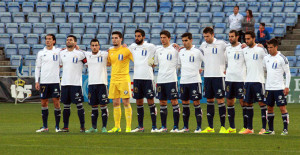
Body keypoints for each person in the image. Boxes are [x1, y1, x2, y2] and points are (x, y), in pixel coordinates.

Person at [199, 27, 228, 133]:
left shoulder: (221, 43)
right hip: (207, 76)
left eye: (207, 36)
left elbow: (234, 47)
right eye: (204, 36)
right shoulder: (203, 45)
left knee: (220, 100)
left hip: (219, 76)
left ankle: (223, 127)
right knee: (209, 100)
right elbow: (199, 56)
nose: (206, 38)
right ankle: (210, 127)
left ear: (212, 35)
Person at [150, 30, 180, 133]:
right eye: (161, 38)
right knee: (162, 102)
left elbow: (181, 60)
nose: (162, 40)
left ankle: (176, 127)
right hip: (161, 79)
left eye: (164, 38)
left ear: (169, 38)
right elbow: (155, 63)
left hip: (171, 79)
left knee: (174, 101)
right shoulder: (159, 51)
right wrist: (150, 62)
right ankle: (164, 127)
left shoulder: (175, 49)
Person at [128, 29, 158, 133]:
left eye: (139, 36)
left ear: (143, 37)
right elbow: (123, 52)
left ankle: (154, 126)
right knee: (139, 102)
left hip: (148, 78)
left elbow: (159, 52)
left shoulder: (150, 46)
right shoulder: (132, 47)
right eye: (136, 36)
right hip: (137, 78)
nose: (137, 38)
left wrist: (153, 62)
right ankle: (140, 126)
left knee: (150, 101)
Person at [240, 31, 268, 135]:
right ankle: (250, 128)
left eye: (248, 39)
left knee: (262, 104)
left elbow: (268, 60)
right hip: (248, 81)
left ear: (254, 38)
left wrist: (264, 48)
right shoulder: (244, 50)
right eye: (245, 39)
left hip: (258, 81)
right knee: (247, 103)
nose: (247, 41)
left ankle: (264, 128)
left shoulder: (260, 49)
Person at [263, 38, 290, 135]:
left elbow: (287, 73)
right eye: (268, 47)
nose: (269, 49)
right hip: (269, 88)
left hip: (279, 88)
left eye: (271, 47)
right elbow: (264, 70)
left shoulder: (282, 58)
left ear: (276, 47)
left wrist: (286, 86)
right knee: (269, 108)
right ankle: (271, 130)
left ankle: (285, 129)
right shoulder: (266, 58)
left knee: (282, 108)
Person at [177, 33, 204, 133]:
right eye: (183, 41)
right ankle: (185, 127)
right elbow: (178, 65)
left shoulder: (197, 51)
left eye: (186, 40)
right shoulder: (181, 52)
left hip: (195, 81)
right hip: (184, 81)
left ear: (191, 40)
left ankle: (199, 127)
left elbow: (207, 61)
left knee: (196, 103)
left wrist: (202, 68)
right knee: (184, 103)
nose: (184, 43)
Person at [107, 31, 134, 133]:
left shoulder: (126, 51)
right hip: (113, 79)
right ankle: (117, 126)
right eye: (113, 38)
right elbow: (108, 63)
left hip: (123, 79)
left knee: (126, 102)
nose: (114, 39)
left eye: (116, 38)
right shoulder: (110, 51)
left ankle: (128, 127)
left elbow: (136, 59)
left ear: (121, 39)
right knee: (115, 102)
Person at [59, 35, 86, 132]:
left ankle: (82, 127)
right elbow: (58, 65)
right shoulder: (61, 53)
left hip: (76, 83)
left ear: (75, 43)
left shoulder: (80, 54)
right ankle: (65, 127)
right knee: (66, 105)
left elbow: (87, 63)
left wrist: (81, 50)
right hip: (65, 83)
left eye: (71, 40)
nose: (68, 41)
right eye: (67, 40)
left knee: (79, 105)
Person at [35, 34, 61, 132]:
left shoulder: (58, 52)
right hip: (44, 82)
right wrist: (37, 81)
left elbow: (63, 62)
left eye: (50, 39)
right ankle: (45, 126)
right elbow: (38, 67)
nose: (47, 41)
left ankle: (57, 127)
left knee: (56, 102)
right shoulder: (41, 53)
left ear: (54, 41)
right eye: (46, 39)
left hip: (54, 81)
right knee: (43, 102)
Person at [84, 39, 109, 133]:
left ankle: (104, 127)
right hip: (91, 84)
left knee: (103, 105)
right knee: (93, 106)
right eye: (93, 45)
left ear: (99, 46)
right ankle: (93, 127)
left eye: (96, 45)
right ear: (90, 47)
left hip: (102, 83)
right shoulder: (87, 55)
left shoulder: (104, 54)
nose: (94, 47)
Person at [224, 30, 247, 134]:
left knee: (243, 102)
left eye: (232, 36)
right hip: (229, 79)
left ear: (237, 37)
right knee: (229, 102)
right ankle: (232, 127)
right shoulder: (227, 48)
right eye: (229, 36)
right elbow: (224, 61)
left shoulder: (243, 48)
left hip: (240, 79)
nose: (230, 38)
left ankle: (246, 127)